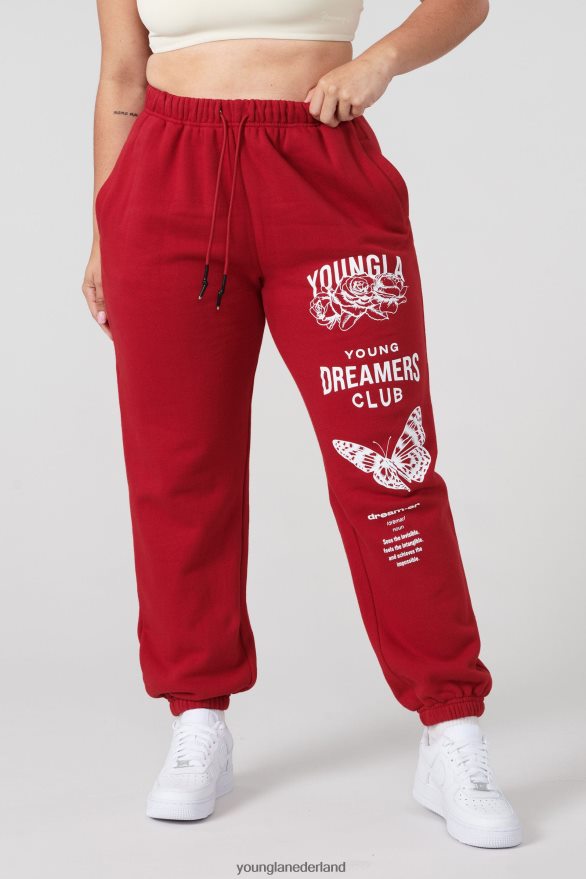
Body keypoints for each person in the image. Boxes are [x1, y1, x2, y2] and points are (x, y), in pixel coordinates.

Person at [82, 0, 521, 847]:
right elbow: (122, 75)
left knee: (392, 469)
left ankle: (452, 727)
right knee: (178, 469)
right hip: (165, 180)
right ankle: (198, 717)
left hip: (321, 169)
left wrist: (380, 60)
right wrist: (106, 226)